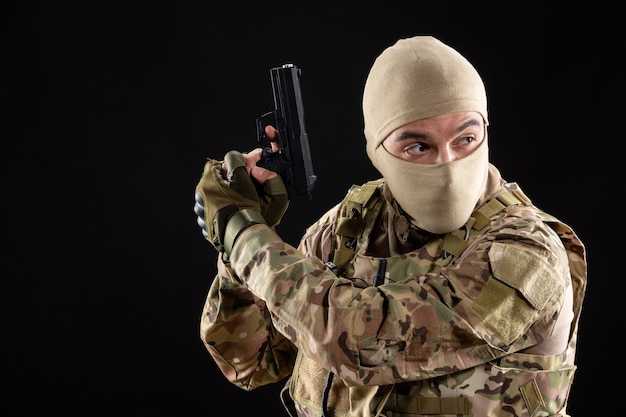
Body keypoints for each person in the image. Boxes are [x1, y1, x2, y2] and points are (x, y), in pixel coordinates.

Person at [193, 35, 587, 417]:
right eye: (418, 146)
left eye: (466, 137)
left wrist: (243, 234)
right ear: (377, 150)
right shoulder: (349, 229)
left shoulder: (527, 252)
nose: (446, 165)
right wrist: (242, 246)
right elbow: (251, 359)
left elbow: (363, 342)